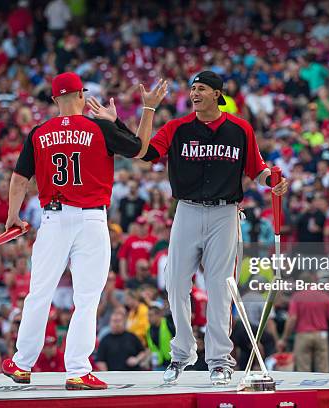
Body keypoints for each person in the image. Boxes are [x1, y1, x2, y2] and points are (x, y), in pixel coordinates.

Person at [91, 70, 288, 385]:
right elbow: (143, 153)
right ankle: (182, 354)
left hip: (225, 213)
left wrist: (272, 182)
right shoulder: (177, 127)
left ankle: (220, 361)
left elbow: (257, 168)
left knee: (222, 289)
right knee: (176, 285)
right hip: (187, 210)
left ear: (217, 94)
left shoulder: (240, 129)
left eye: (201, 89)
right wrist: (144, 112)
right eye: (193, 88)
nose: (195, 93)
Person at [2, 72, 167, 390]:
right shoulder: (99, 127)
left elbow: (20, 178)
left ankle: (22, 364)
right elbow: (141, 149)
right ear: (81, 95)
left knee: (38, 295)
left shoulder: (38, 133)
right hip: (91, 220)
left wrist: (13, 215)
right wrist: (145, 111)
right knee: (87, 298)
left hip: (53, 219)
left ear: (54, 100)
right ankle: (77, 369)